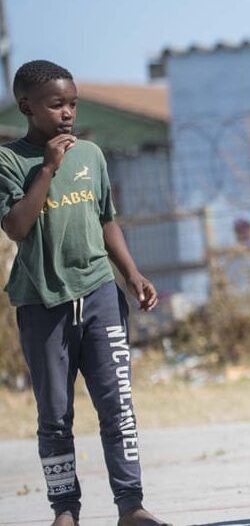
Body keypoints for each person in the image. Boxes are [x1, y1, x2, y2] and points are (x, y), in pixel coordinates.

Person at [0, 61, 168, 525]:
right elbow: (16, 226)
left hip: (99, 296)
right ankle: (65, 511)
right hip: (42, 304)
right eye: (57, 105)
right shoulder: (9, 161)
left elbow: (106, 218)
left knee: (118, 407)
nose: (68, 113)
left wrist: (131, 274)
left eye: (72, 103)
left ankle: (131, 506)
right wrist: (49, 169)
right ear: (27, 108)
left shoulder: (92, 155)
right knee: (55, 416)